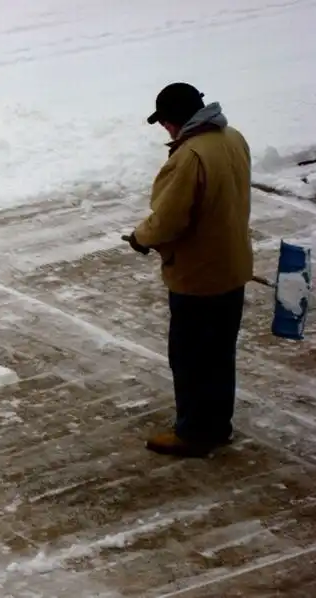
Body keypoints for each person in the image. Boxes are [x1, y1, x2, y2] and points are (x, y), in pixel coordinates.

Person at [127, 82, 254, 458]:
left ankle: (194, 433)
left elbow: (169, 219)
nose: (166, 130)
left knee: (191, 358)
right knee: (219, 354)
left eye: (165, 123)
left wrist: (140, 237)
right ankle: (217, 426)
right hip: (232, 266)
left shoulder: (191, 156)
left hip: (199, 275)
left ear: (175, 120)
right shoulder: (233, 138)